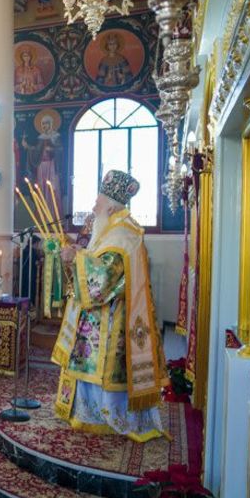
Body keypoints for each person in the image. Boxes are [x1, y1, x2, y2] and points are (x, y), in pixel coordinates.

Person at [53, 170, 167, 441]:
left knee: (103, 369)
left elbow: (104, 280)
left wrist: (76, 258)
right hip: (101, 318)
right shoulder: (114, 230)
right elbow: (97, 262)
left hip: (112, 322)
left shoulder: (122, 234)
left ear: (112, 206)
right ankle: (89, 412)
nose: (94, 207)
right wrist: (79, 255)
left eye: (98, 201)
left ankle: (107, 415)